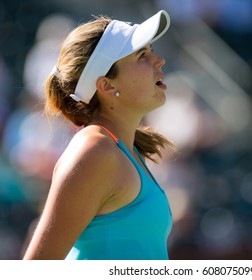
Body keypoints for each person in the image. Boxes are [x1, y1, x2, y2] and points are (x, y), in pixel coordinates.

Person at [23, 10, 175, 260]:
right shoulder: (95, 151)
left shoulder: (123, 150)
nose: (159, 61)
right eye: (142, 55)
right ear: (107, 85)